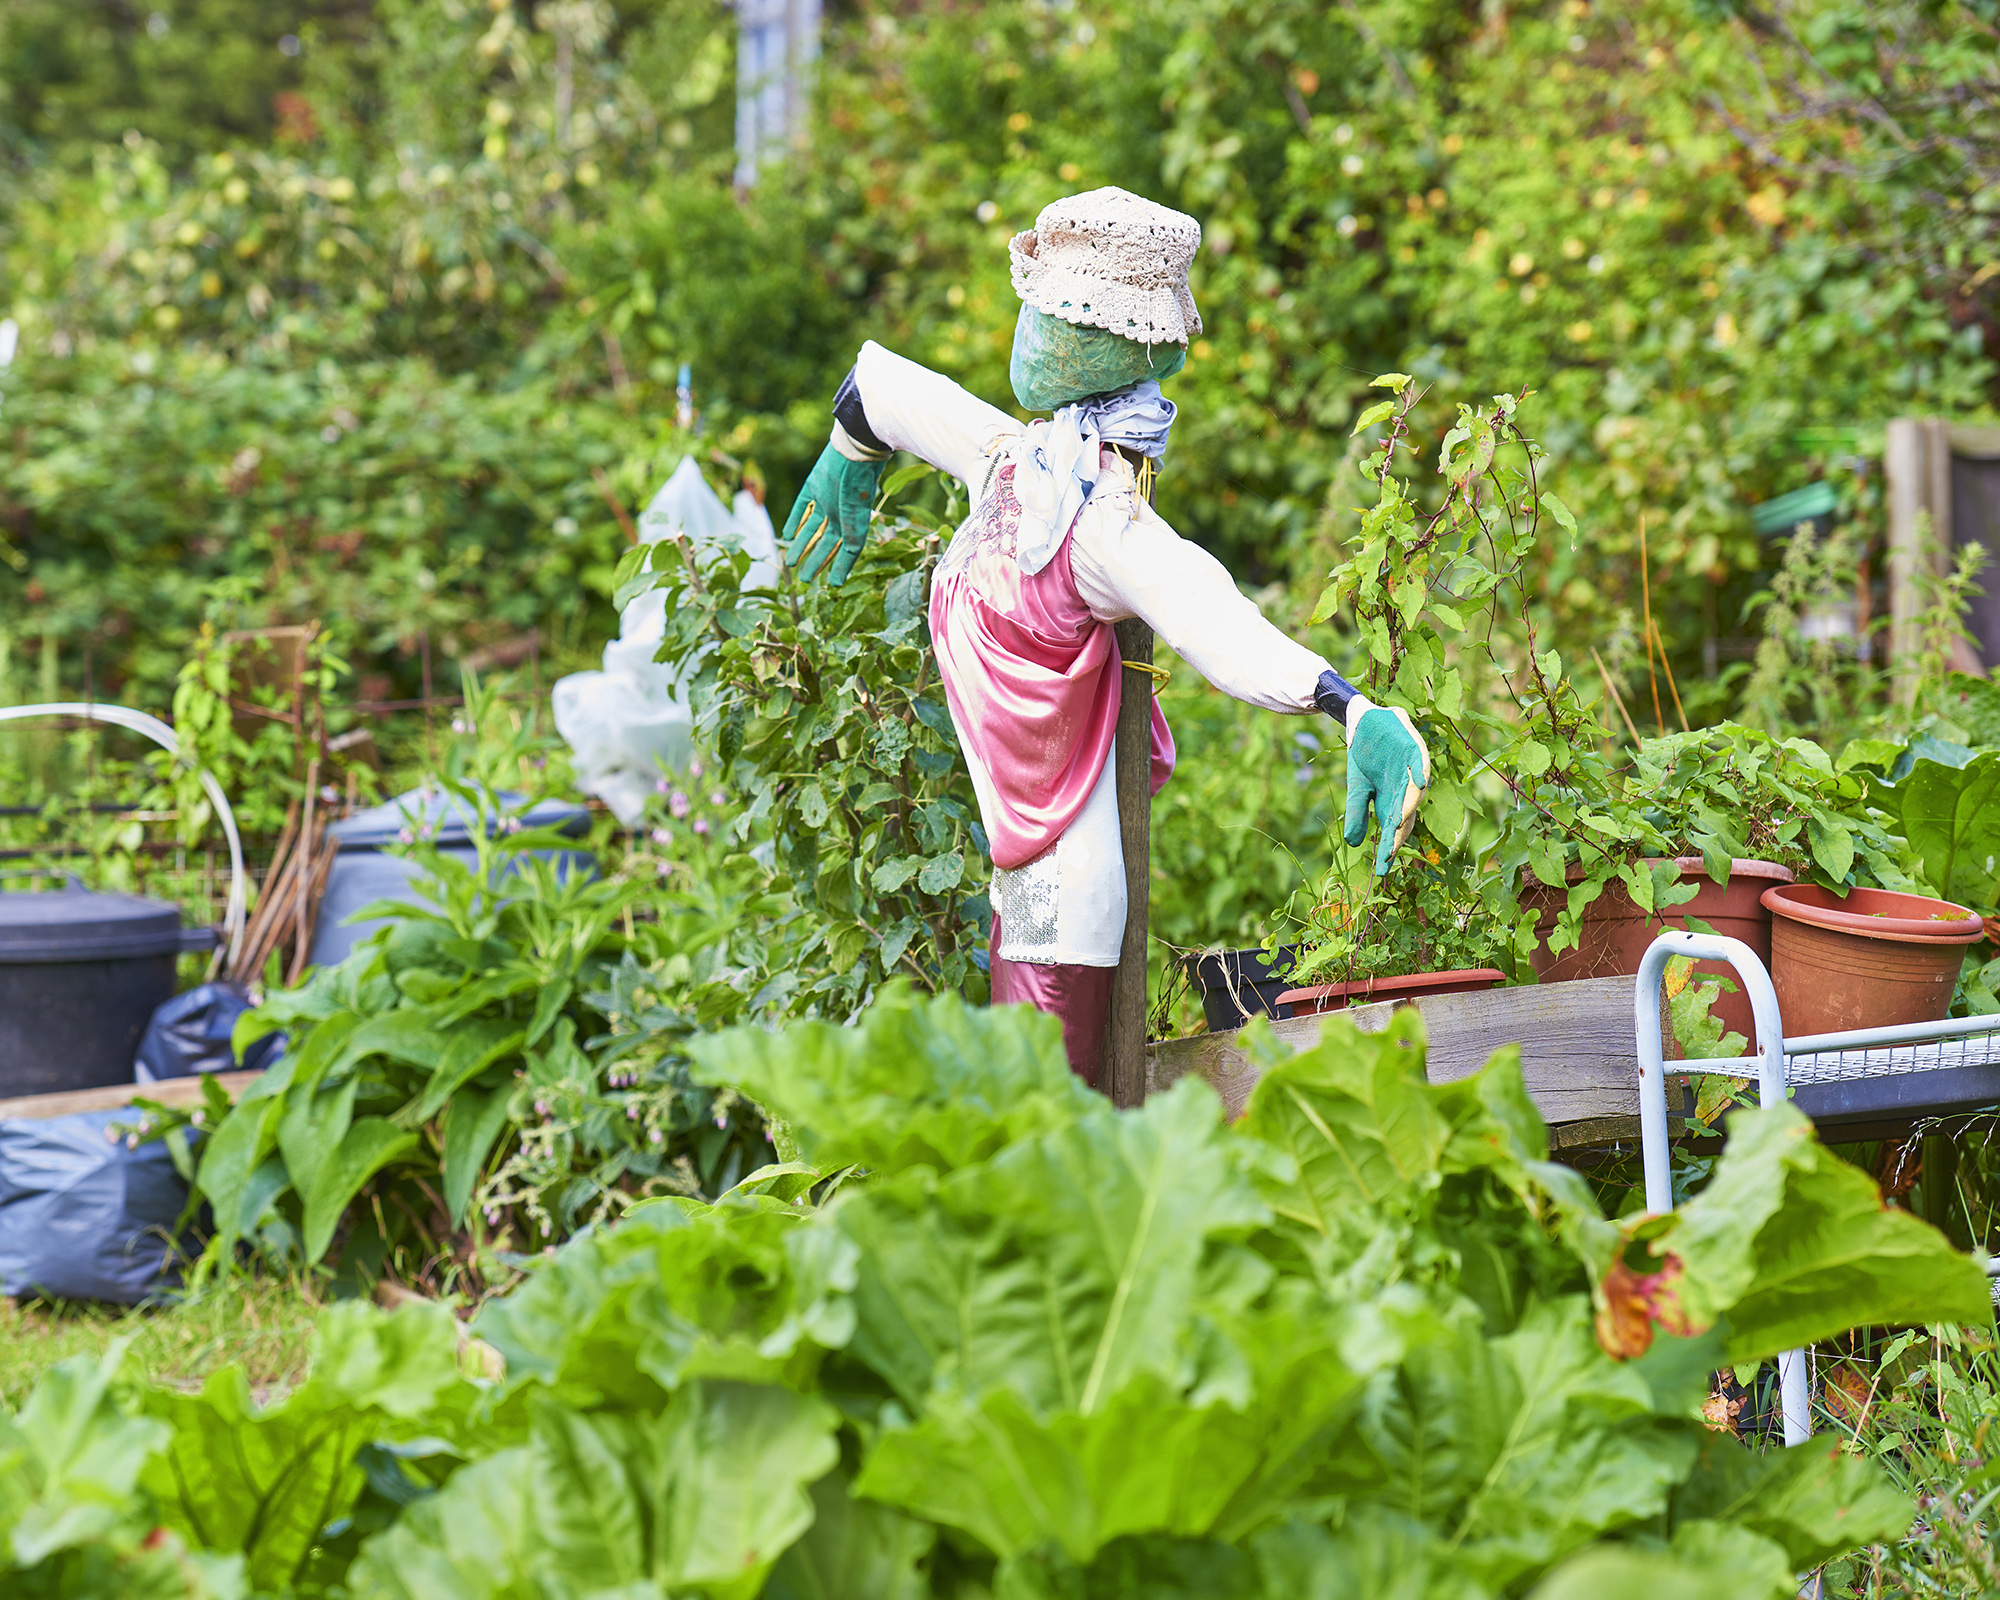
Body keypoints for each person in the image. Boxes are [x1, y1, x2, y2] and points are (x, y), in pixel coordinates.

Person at [781, 187, 1428, 1084]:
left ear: (1109, 340)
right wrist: (849, 448)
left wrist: (1351, 708)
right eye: (1038, 311)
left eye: (1058, 319)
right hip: (1021, 874)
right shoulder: (1017, 463)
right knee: (1027, 1129)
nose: (1033, 336)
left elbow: (1218, 622)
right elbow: (887, 388)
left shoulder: (1101, 526)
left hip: (1062, 903)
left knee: (1052, 1133)